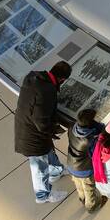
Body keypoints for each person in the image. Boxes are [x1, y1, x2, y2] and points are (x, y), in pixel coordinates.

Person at [13, 60, 72, 204]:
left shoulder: (35, 78)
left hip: (27, 127)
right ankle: (43, 195)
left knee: (48, 151)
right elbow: (40, 119)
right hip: (32, 136)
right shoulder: (48, 90)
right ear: (62, 79)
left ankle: (56, 171)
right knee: (39, 165)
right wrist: (52, 131)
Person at [65, 108, 107, 214]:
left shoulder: (72, 128)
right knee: (89, 188)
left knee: (78, 184)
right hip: (84, 169)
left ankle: (82, 198)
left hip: (71, 164)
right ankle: (92, 206)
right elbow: (94, 154)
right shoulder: (88, 140)